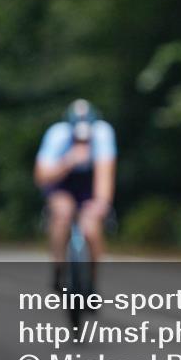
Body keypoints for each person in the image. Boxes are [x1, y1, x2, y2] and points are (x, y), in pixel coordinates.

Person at [34, 99, 116, 291]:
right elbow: (41, 176)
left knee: (92, 228)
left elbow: (105, 174)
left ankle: (92, 283)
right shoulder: (57, 134)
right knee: (62, 214)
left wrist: (101, 203)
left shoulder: (103, 133)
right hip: (61, 183)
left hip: (88, 186)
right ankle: (59, 267)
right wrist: (68, 161)